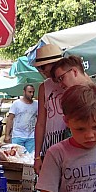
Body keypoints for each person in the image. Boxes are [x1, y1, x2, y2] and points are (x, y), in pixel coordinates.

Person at [32, 43, 66, 175]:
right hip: (50, 144)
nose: (41, 70)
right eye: (39, 68)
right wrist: (37, 156)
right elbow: (41, 122)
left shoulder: (72, 80)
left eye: (43, 67)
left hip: (70, 140)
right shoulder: (44, 87)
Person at [4, 84, 38, 152]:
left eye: (33, 92)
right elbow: (10, 119)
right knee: (17, 157)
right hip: (18, 135)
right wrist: (7, 135)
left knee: (30, 158)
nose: (31, 94)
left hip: (31, 136)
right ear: (24, 92)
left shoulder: (36, 104)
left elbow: (39, 119)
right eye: (29, 92)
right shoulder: (16, 103)